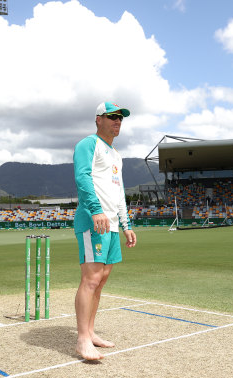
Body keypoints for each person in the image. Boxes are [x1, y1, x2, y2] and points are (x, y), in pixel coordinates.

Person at [72, 102, 137, 361]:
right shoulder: (88, 144)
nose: (117, 121)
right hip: (93, 220)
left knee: (101, 280)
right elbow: (82, 177)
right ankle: (82, 339)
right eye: (112, 117)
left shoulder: (116, 155)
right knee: (90, 279)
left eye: (120, 118)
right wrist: (96, 210)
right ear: (98, 119)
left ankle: (90, 332)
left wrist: (126, 224)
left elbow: (119, 191)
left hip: (110, 223)